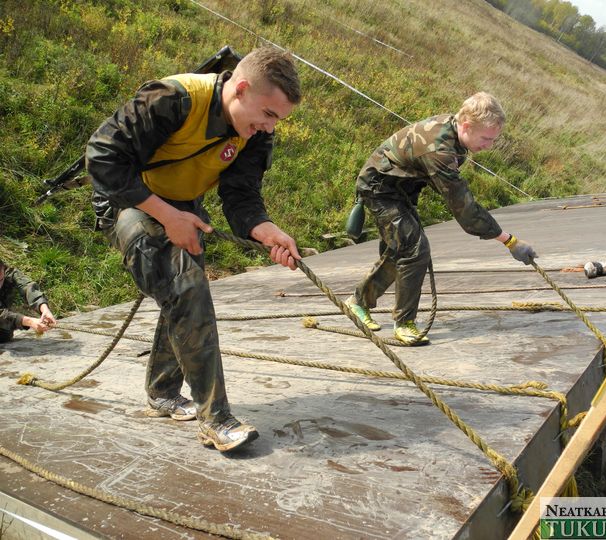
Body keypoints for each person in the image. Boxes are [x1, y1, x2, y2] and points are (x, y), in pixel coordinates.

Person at [86, 47, 302, 453]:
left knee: (183, 296)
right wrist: (167, 216)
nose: (270, 127)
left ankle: (163, 393)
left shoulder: (255, 133)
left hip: (182, 207)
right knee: (187, 287)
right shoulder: (173, 99)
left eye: (278, 120)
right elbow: (102, 157)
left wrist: (265, 229)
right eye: (269, 114)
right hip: (127, 201)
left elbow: (241, 195)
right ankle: (216, 419)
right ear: (241, 89)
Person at [345, 92, 537, 345]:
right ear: (466, 126)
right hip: (380, 191)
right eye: (486, 138)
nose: (489, 146)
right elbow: (463, 208)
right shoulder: (440, 149)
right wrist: (509, 241)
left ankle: (358, 302)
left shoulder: (453, 132)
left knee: (400, 249)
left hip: (399, 190)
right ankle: (404, 323)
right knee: (415, 250)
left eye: (493, 139)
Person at [0, 259, 56, 342]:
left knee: (5, 335)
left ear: (3, 269)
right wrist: (29, 321)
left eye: (1, 280)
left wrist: (44, 308)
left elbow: (27, 286)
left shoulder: (9, 272)